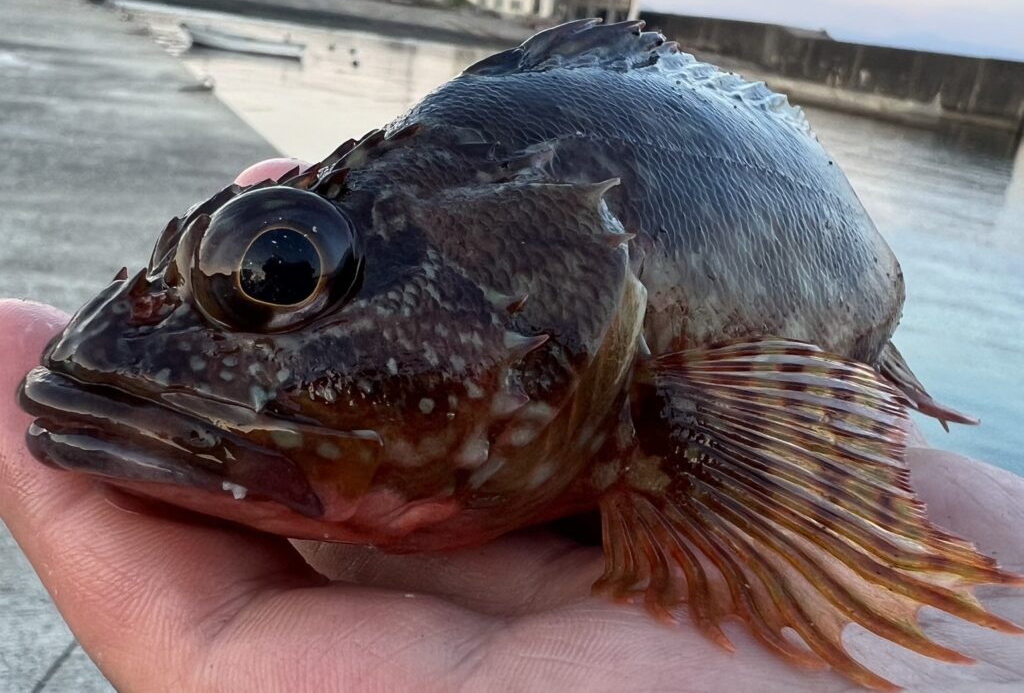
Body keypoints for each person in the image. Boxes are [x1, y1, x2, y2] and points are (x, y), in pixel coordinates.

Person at [2, 159, 1022, 689]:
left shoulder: (692, 407)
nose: (272, 283)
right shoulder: (487, 203)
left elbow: (811, 515)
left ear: (561, 267)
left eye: (281, 272)